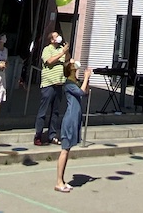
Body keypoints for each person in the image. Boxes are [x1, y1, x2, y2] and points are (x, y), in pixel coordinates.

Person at [54, 59, 93, 193]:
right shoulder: (68, 84)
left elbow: (85, 91)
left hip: (76, 117)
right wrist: (86, 77)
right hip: (70, 118)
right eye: (73, 66)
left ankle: (62, 180)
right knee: (64, 150)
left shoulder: (75, 82)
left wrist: (87, 79)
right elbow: (81, 92)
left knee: (68, 149)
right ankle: (59, 181)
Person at [33, 30, 68, 146]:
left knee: (55, 112)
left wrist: (65, 51)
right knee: (43, 111)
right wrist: (62, 53)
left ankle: (52, 135)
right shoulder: (47, 49)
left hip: (59, 85)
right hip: (48, 85)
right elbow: (49, 61)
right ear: (52, 40)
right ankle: (38, 135)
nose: (58, 38)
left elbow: (67, 60)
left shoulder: (60, 50)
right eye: (56, 37)